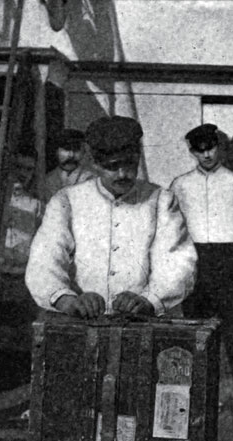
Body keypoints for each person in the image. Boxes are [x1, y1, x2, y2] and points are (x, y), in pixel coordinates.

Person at [26, 116, 197, 319]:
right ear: (95, 164)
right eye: (112, 166)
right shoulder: (67, 200)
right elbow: (44, 260)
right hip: (79, 323)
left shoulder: (161, 200)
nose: (122, 174)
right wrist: (67, 300)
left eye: (130, 164)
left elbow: (178, 262)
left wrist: (150, 300)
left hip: (146, 322)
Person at [170, 123, 233, 433]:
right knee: (195, 344)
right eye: (200, 149)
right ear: (191, 151)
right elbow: (169, 228)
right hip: (195, 268)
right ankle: (193, 413)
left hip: (228, 265)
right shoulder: (180, 185)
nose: (207, 154)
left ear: (219, 147)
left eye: (211, 147)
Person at [43, 128, 94, 203]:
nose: (71, 155)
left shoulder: (90, 179)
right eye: (66, 149)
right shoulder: (47, 180)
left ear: (83, 152)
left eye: (76, 150)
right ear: (56, 151)